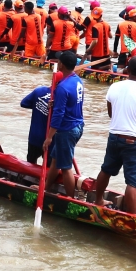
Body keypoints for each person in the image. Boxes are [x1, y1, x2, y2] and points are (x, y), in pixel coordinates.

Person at [93, 56, 136, 215]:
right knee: (133, 182)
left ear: (127, 70)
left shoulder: (114, 87)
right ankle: (133, 217)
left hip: (114, 137)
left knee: (106, 170)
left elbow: (111, 113)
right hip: (135, 142)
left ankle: (98, 200)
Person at [44, 51, 85, 199]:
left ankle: (70, 198)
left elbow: (58, 115)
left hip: (67, 129)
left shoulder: (62, 87)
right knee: (56, 160)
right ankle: (46, 188)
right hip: (78, 125)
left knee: (66, 166)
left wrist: (49, 137)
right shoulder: (78, 81)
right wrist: (57, 103)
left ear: (61, 64)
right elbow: (73, 102)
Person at [20, 85, 52, 165]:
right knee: (49, 166)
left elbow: (24, 103)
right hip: (49, 140)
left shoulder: (39, 90)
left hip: (34, 136)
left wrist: (37, 105)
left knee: (31, 162)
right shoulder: (61, 98)